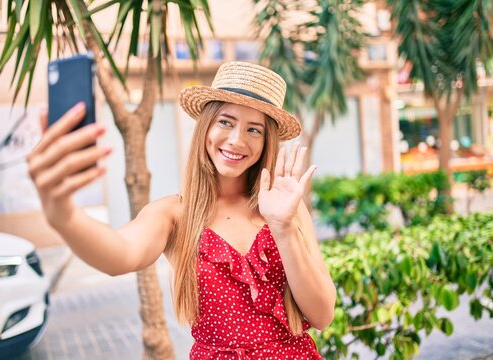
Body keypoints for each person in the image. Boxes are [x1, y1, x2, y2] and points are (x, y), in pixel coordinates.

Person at [28, 61, 336, 359]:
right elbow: (119, 255)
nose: (236, 139)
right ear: (206, 127)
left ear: (267, 141)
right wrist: (63, 214)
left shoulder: (285, 209)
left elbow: (322, 316)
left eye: (254, 130)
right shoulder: (174, 214)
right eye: (225, 122)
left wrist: (282, 228)